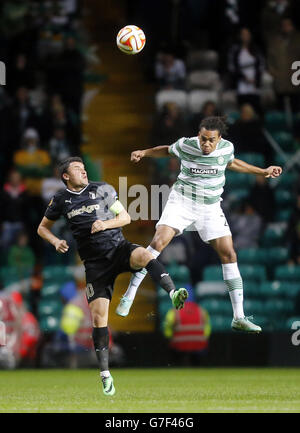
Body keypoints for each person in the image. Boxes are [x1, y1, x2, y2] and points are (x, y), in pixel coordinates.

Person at [37, 156, 188, 396]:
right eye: (78, 169)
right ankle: (105, 375)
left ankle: (172, 291)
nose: (84, 172)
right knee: (99, 319)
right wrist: (56, 241)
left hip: (118, 249)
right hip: (95, 265)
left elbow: (125, 218)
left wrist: (104, 225)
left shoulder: (102, 189)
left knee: (144, 255)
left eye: (84, 168)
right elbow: (42, 228)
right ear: (66, 176)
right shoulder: (61, 200)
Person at [116, 116, 282, 333]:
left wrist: (262, 171)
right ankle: (129, 294)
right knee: (158, 243)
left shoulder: (226, 149)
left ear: (219, 139)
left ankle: (238, 317)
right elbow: (166, 150)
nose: (206, 144)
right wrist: (144, 153)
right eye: (203, 139)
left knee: (229, 254)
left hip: (210, 208)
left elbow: (232, 163)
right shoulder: (187, 144)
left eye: (210, 140)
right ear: (198, 135)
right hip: (182, 202)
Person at [163, 287, 211, 366]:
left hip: (179, 346)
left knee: (172, 351)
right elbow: (207, 329)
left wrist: (169, 338)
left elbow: (167, 328)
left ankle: (175, 367)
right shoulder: (201, 310)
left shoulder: (174, 311)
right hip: (199, 345)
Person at [228, 28, 264, 115]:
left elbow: (261, 65)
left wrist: (256, 79)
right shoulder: (235, 50)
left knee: (256, 107)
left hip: (254, 84)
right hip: (241, 84)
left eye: (247, 34)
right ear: (240, 36)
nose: (245, 37)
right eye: (243, 34)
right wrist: (244, 78)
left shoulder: (256, 49)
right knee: (243, 108)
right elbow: (232, 67)